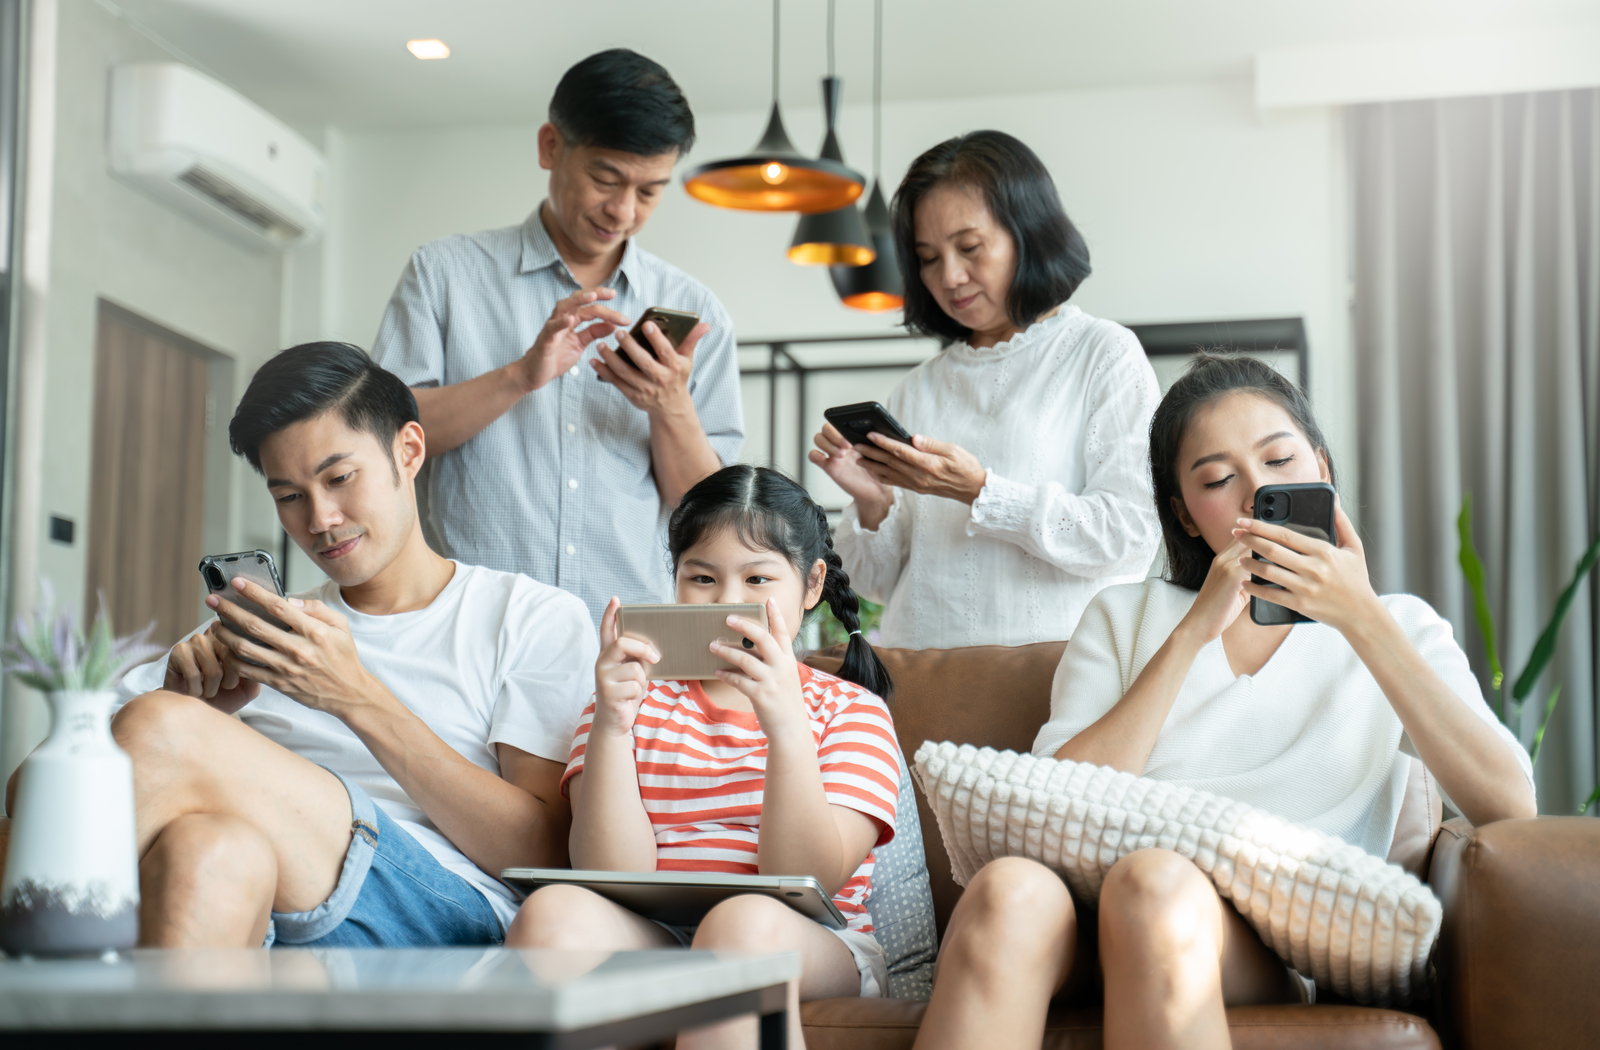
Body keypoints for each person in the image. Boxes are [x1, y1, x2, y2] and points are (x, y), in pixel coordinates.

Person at [909, 354, 1537, 1050]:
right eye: (1217, 479)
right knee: (1005, 892)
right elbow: (1056, 798)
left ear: (1322, 472)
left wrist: (1360, 617)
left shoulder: (1397, 626)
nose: (1255, 494)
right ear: (1183, 512)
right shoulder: (1123, 614)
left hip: (1260, 939)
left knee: (1150, 883)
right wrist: (1191, 635)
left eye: (1279, 462)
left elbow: (1509, 804)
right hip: (1089, 914)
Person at [6, 344, 598, 948]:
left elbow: (545, 853)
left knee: (164, 729)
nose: (320, 518)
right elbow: (28, 794)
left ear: (408, 451)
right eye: (288, 496)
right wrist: (194, 710)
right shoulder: (256, 633)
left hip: (440, 902)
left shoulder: (530, 616)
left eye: (340, 478)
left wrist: (356, 698)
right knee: (208, 847)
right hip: (266, 903)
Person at [506, 465, 899, 1050]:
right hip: (660, 934)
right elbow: (614, 875)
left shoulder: (850, 710)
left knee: (738, 926)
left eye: (759, 579)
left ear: (811, 584)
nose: (730, 603)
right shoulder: (630, 697)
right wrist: (613, 725)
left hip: (806, 940)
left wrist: (786, 726)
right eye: (703, 578)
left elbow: (808, 877)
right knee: (552, 914)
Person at [371, 49, 744, 627]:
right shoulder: (443, 274)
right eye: (606, 178)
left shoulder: (696, 312)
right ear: (551, 146)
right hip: (468, 630)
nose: (623, 210)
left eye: (649, 192)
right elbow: (385, 442)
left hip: (625, 638)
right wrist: (520, 377)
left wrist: (669, 405)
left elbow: (708, 515)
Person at [810, 130, 1160, 649]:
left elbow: (1129, 535)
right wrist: (872, 502)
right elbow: (876, 585)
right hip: (925, 676)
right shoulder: (919, 387)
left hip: (1061, 677)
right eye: (928, 258)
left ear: (1030, 233)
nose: (949, 276)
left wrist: (980, 492)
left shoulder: (1103, 353)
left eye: (969, 247)